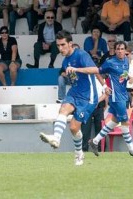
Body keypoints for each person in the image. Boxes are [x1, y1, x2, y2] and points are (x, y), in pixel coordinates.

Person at [39, 30, 101, 166]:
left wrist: (77, 70)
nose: (60, 48)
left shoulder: (81, 54)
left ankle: (79, 153)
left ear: (70, 44)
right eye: (58, 45)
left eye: (63, 45)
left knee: (73, 127)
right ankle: (56, 138)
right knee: (63, 110)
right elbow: (69, 74)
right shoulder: (66, 60)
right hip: (74, 92)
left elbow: (95, 70)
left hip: (88, 97)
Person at [88, 41, 133, 158]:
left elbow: (122, 75)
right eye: (118, 49)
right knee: (125, 121)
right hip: (115, 97)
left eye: (122, 49)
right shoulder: (110, 62)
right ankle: (132, 150)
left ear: (125, 51)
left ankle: (94, 141)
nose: (120, 51)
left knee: (114, 121)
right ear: (114, 50)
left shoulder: (125, 61)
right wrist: (105, 86)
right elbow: (97, 72)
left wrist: (128, 77)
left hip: (123, 95)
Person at [81, 78, 107, 152]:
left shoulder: (102, 79)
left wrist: (97, 102)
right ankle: (84, 149)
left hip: (99, 106)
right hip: (87, 105)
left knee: (100, 128)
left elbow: (106, 93)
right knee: (85, 129)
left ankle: (100, 149)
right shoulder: (85, 78)